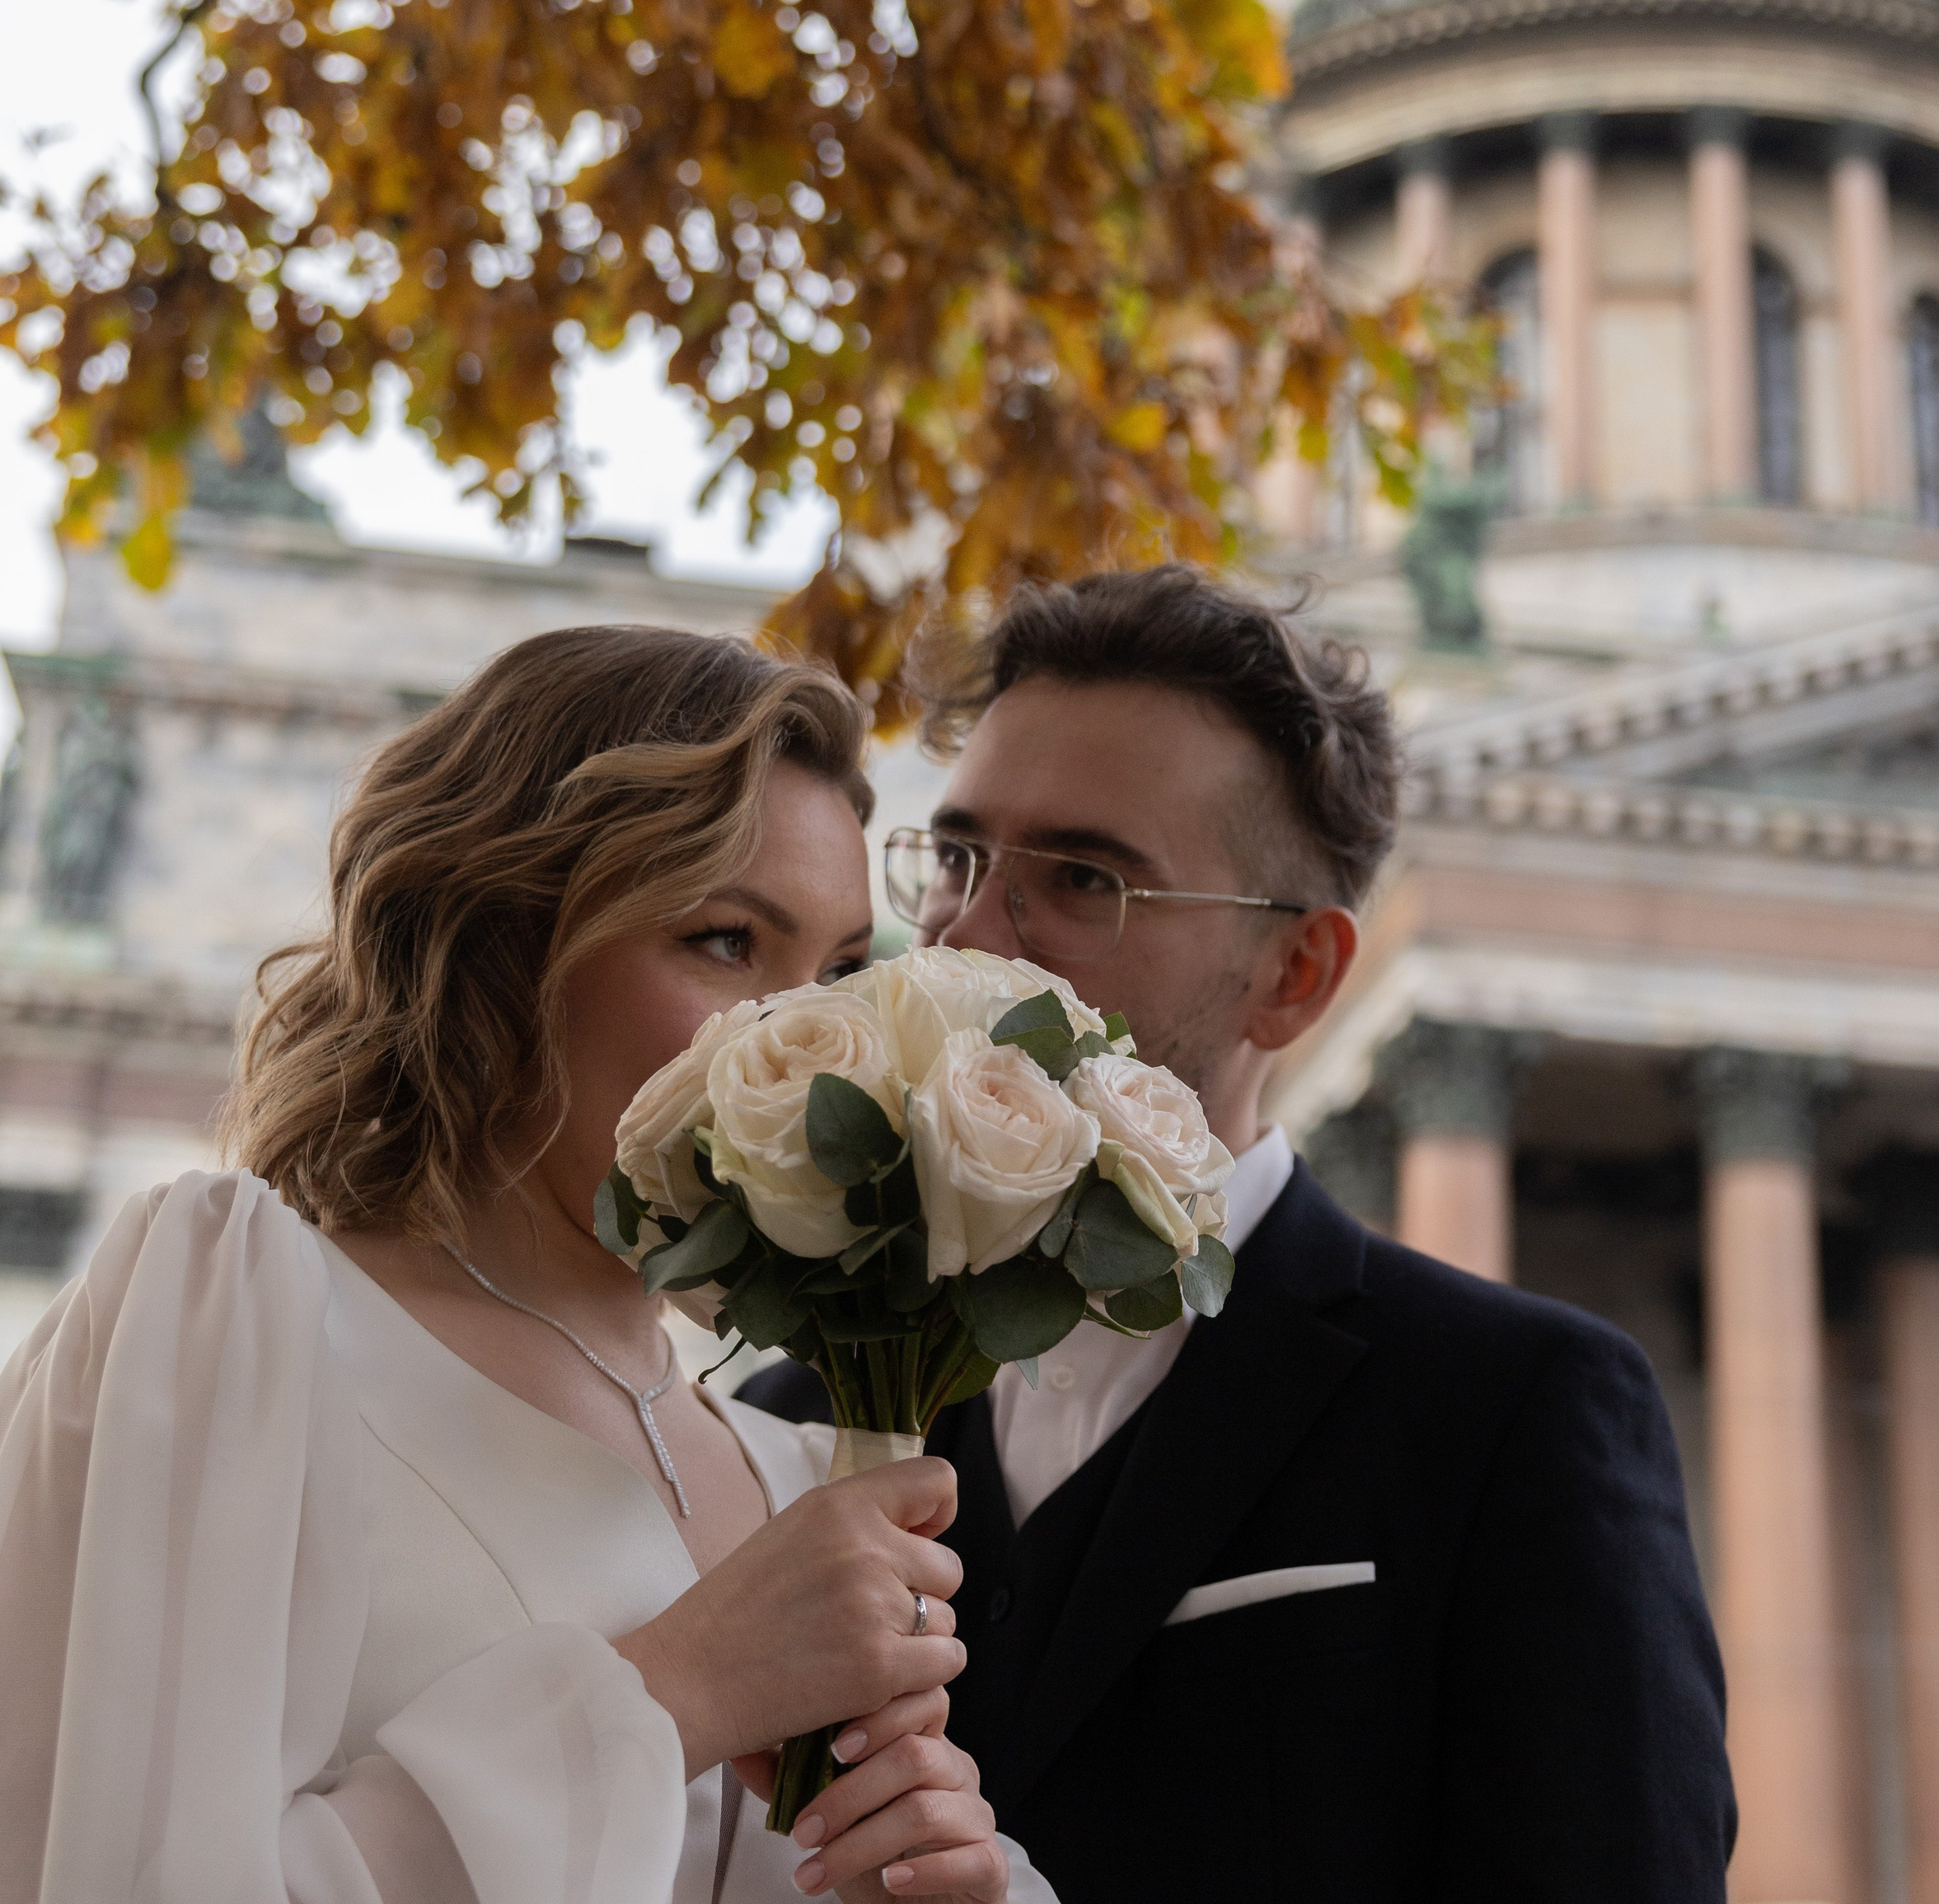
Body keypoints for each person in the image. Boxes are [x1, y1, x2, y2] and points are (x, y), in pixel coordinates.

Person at [0, 625, 1052, 1904]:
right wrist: (679, 1688)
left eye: (839, 970)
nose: (813, 1032)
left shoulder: (792, 1465)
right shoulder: (243, 1327)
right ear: (508, 944)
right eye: (726, 940)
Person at [747, 567, 1735, 1902]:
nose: (967, 933)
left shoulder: (1510, 1415)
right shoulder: (784, 1414)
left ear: (1296, 976)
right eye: (962, 857)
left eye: (1086, 878)